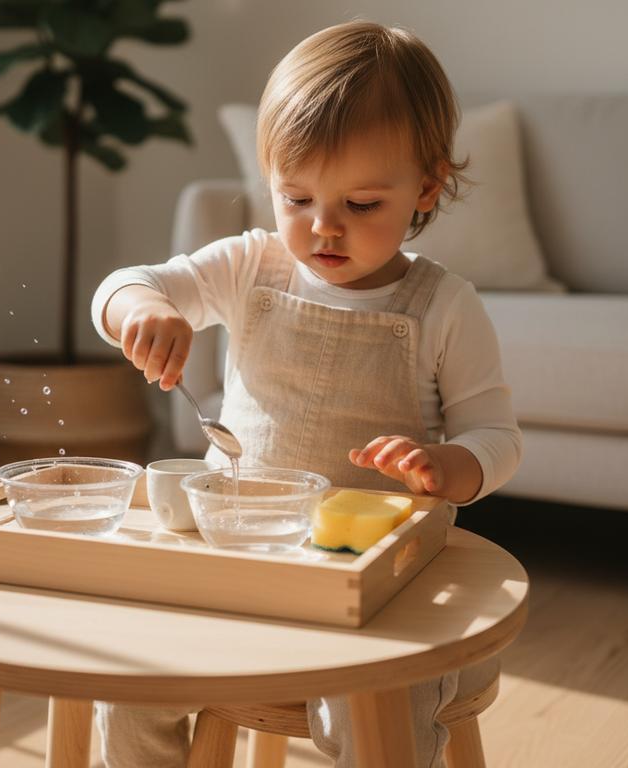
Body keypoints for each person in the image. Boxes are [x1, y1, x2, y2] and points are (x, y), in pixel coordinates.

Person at [89, 19, 521, 768]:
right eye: (295, 198)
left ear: (426, 187)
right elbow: (126, 286)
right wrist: (142, 311)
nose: (323, 228)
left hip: (383, 589)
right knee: (130, 671)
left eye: (359, 206)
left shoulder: (444, 306)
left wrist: (445, 466)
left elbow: (498, 437)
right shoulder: (248, 267)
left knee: (381, 699)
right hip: (244, 567)